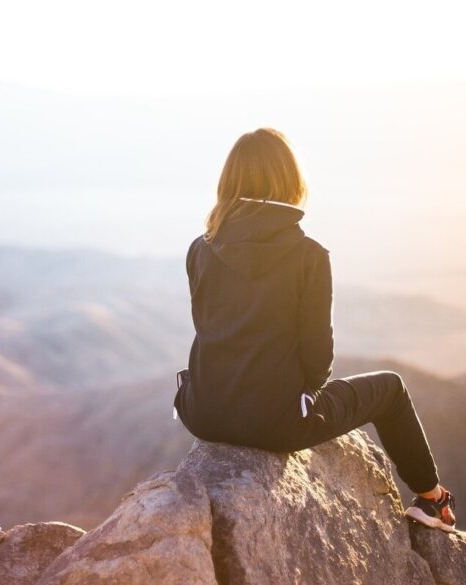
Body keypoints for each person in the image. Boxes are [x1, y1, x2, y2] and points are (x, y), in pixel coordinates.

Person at [173, 127, 457, 533]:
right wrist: (300, 398)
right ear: (290, 180)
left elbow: (211, 328)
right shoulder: (309, 256)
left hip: (201, 412)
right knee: (391, 389)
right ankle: (432, 500)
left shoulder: (200, 248)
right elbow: (318, 359)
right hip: (276, 424)